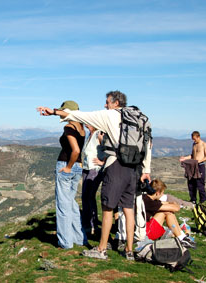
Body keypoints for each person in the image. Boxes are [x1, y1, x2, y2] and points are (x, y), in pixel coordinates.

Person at [37, 90, 152, 260]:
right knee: (129, 209)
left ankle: (101, 249)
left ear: (116, 103)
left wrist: (53, 111)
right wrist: (146, 170)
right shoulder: (140, 118)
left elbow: (81, 115)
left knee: (107, 208)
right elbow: (148, 143)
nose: (105, 105)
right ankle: (129, 250)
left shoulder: (110, 115)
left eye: (107, 102)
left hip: (116, 165)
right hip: (133, 168)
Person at [43, 100, 87, 249]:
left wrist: (68, 167)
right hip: (78, 168)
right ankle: (79, 239)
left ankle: (65, 242)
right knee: (72, 204)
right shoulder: (82, 129)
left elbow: (75, 150)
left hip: (66, 166)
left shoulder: (68, 127)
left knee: (62, 205)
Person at [143, 179, 196, 249]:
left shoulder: (146, 198)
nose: (162, 195)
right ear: (158, 193)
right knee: (167, 212)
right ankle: (181, 238)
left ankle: (182, 237)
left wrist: (171, 204)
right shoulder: (149, 202)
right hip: (147, 233)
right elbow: (176, 208)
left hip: (145, 229)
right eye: (162, 193)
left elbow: (163, 203)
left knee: (167, 212)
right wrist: (174, 205)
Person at [81, 125, 105, 234]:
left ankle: (92, 224)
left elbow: (108, 147)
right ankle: (88, 223)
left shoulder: (98, 134)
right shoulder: (89, 135)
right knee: (85, 196)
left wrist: (103, 162)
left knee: (89, 196)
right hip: (87, 168)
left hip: (95, 169)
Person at [179, 131, 206, 204]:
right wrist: (185, 158)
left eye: (195, 139)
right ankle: (193, 199)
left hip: (200, 165)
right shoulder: (194, 144)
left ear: (198, 137)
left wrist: (199, 161)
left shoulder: (204, 144)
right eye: (193, 139)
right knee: (191, 183)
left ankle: (202, 200)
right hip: (193, 165)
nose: (194, 140)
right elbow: (192, 155)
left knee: (200, 184)